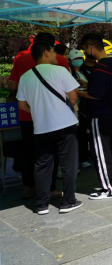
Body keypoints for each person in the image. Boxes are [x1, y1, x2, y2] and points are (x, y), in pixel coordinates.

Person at [16, 41, 81, 214]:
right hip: (64, 124)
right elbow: (73, 97)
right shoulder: (60, 71)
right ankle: (68, 201)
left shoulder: (25, 77)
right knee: (68, 163)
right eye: (53, 51)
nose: (55, 55)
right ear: (45, 52)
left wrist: (39, 111)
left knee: (43, 164)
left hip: (41, 127)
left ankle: (42, 204)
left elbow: (22, 105)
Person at [8, 32, 69, 200]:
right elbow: (67, 88)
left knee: (29, 150)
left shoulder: (20, 60)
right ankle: (50, 188)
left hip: (27, 114)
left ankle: (28, 187)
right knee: (50, 152)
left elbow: (13, 86)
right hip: (52, 115)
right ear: (50, 47)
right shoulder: (60, 60)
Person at [78, 33, 112, 200]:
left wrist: (77, 92)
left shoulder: (99, 68)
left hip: (99, 114)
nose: (85, 52)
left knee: (101, 150)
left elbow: (96, 94)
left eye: (85, 49)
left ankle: (109, 188)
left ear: (91, 47)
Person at [68, 49, 91, 169]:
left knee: (84, 134)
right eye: (75, 59)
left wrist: (85, 85)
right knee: (76, 133)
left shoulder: (86, 72)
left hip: (87, 106)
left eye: (80, 58)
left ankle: (84, 157)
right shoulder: (68, 74)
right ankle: (76, 159)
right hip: (74, 107)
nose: (78, 61)